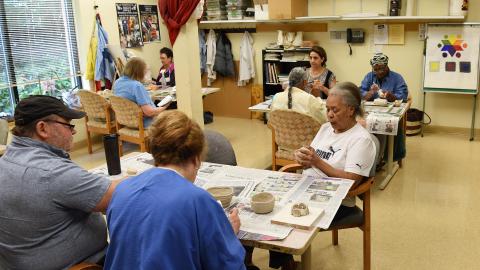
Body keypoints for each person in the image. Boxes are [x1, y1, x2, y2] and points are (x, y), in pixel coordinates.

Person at [104, 111, 246, 270]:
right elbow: (227, 264)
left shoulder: (122, 191)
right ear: (196, 159)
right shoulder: (197, 201)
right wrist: (229, 235)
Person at [0, 95, 120, 270]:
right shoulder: (51, 172)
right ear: (42, 128)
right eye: (68, 125)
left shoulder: (7, 160)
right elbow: (119, 196)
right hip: (86, 265)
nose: (73, 131)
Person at [113, 57, 168, 128]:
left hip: (126, 122)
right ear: (139, 72)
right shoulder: (137, 86)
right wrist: (164, 107)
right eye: (144, 71)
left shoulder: (117, 82)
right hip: (143, 124)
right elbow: (149, 112)